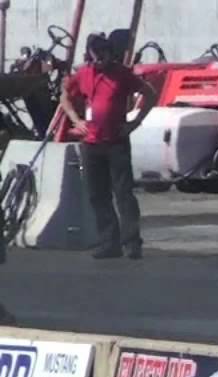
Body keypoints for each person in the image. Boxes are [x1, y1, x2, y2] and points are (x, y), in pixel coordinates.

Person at [58, 33, 157, 260]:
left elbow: (149, 94)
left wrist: (135, 122)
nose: (99, 62)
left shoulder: (122, 74)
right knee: (97, 194)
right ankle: (109, 242)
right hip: (91, 143)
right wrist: (76, 120)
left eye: (102, 58)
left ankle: (132, 242)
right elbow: (65, 96)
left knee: (123, 193)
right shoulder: (84, 73)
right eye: (95, 59)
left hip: (116, 142)